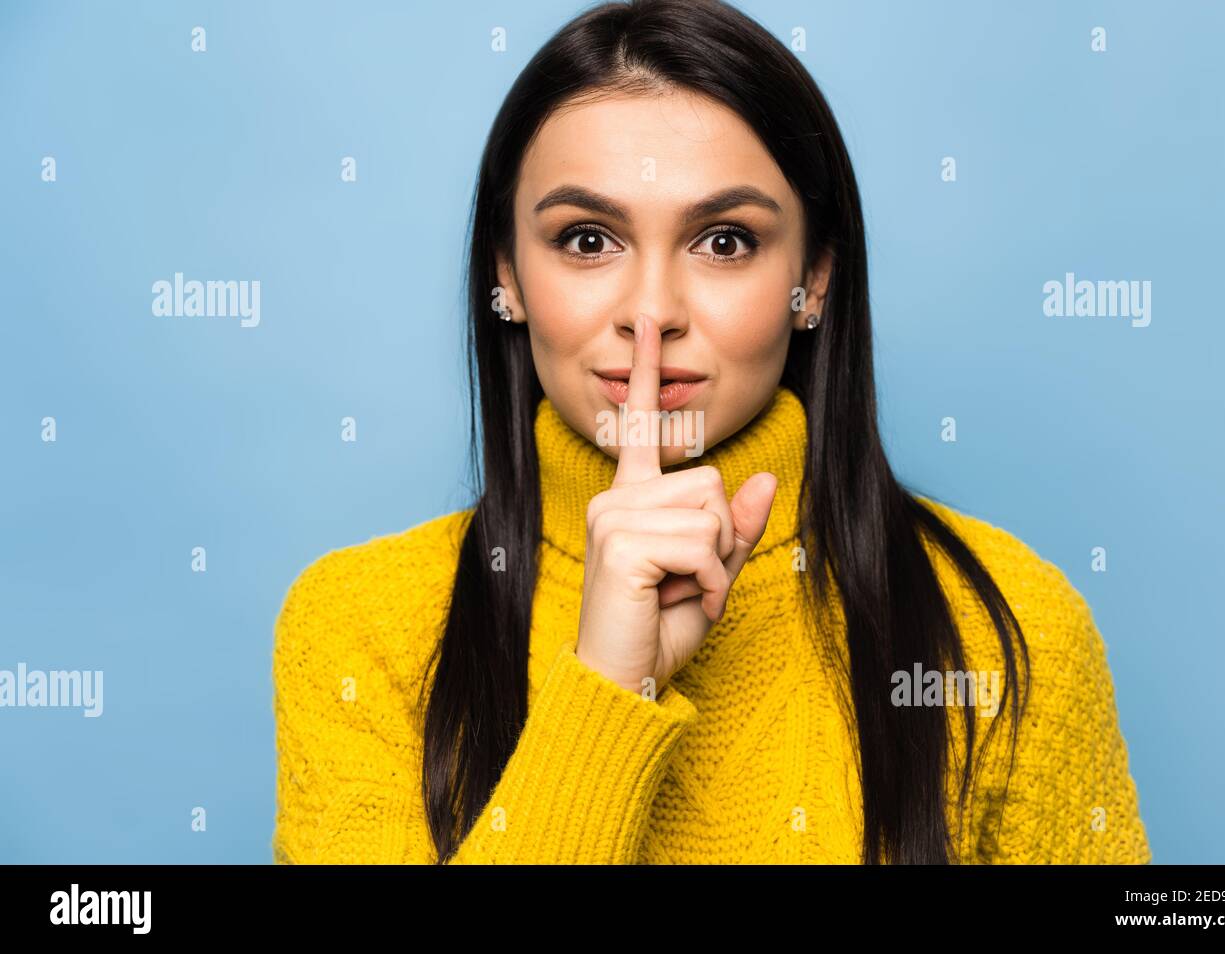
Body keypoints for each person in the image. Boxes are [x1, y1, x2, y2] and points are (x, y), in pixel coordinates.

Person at [271, 0, 1151, 865]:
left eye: (725, 242)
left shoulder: (1006, 628)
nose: (652, 313)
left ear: (814, 279)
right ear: (507, 274)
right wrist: (608, 691)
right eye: (586, 240)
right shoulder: (359, 630)